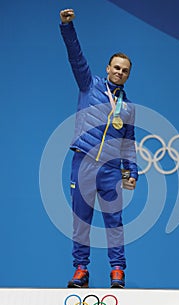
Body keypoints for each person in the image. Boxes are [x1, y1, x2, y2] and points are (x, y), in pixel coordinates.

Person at [59, 8, 138, 288]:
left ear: (128, 76)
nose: (120, 72)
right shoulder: (88, 85)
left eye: (125, 70)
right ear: (108, 69)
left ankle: (117, 270)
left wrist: (132, 172)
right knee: (81, 220)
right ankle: (81, 269)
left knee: (114, 222)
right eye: (116, 67)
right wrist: (67, 27)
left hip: (110, 170)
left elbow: (129, 143)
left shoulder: (127, 108)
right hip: (83, 163)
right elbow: (75, 56)